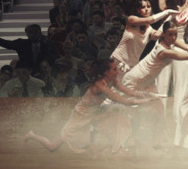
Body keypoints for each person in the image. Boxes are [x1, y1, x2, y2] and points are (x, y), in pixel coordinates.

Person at [23, 59, 159, 153]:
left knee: (119, 112)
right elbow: (123, 100)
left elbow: (129, 92)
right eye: (115, 69)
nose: (118, 71)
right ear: (106, 72)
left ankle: (119, 145)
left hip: (95, 113)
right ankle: (32, 135)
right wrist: (146, 101)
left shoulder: (113, 81)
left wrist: (146, 95)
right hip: (81, 115)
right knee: (53, 146)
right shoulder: (100, 85)